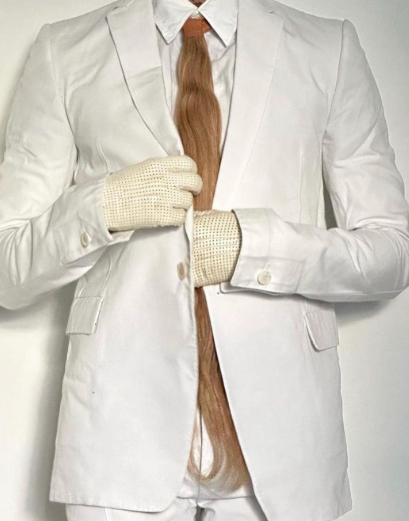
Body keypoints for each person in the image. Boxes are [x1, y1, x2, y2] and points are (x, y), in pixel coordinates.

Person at [1, 0, 408, 519]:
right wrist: (101, 208)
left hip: (283, 435)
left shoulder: (328, 49)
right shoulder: (65, 50)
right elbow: (6, 269)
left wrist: (253, 246)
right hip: (117, 429)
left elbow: (392, 252)